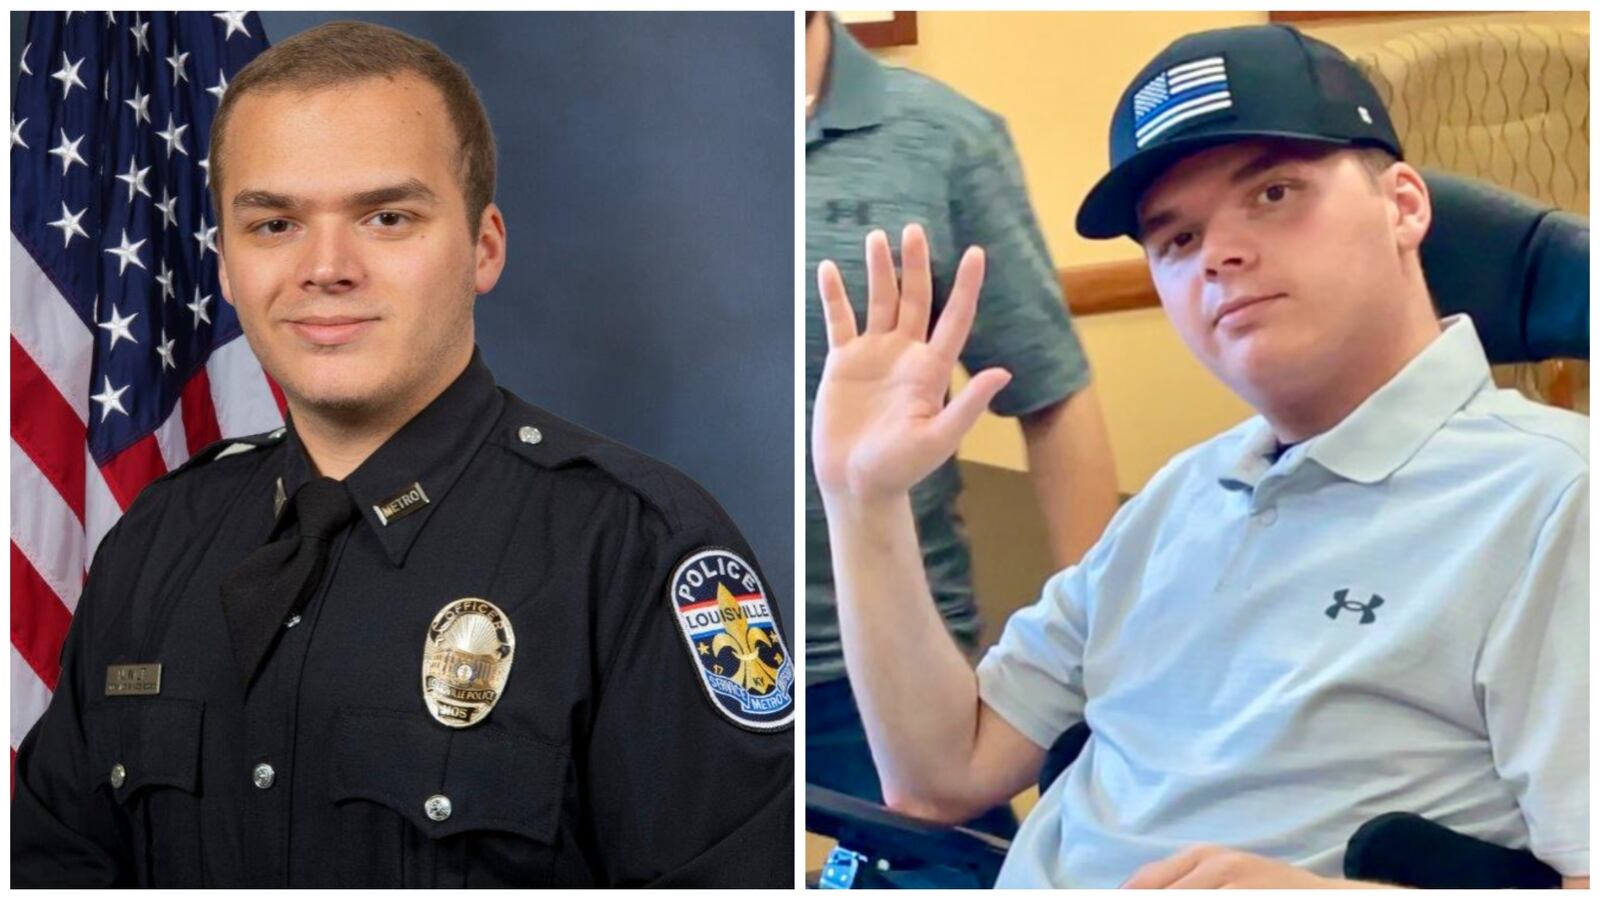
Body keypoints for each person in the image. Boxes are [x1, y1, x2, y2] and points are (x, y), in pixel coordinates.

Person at [12, 21, 793, 888]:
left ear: (483, 247)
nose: (326, 267)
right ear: (227, 268)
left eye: (387, 217)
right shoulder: (156, 539)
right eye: (274, 223)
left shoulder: (635, 552)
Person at [812, 24, 1587, 889]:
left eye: (1275, 194)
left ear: (1404, 205)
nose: (1219, 254)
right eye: (1175, 240)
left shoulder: (1555, 501)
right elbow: (938, 778)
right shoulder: (1179, 497)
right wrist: (862, 497)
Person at [803, 10, 1119, 840]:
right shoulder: (623, 116)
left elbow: (1051, 393)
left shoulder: (945, 138)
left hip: (872, 677)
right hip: (649, 646)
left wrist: (1105, 667)